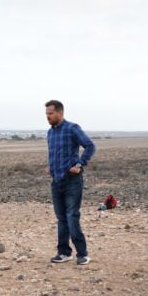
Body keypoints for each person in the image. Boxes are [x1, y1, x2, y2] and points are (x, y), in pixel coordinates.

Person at [45, 100, 96, 265]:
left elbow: (90, 146)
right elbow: (54, 154)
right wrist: (50, 166)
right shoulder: (50, 133)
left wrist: (80, 165)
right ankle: (64, 252)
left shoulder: (72, 128)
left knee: (72, 216)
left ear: (60, 113)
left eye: (50, 113)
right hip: (56, 181)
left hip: (72, 181)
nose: (48, 117)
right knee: (61, 218)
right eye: (46, 114)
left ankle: (82, 253)